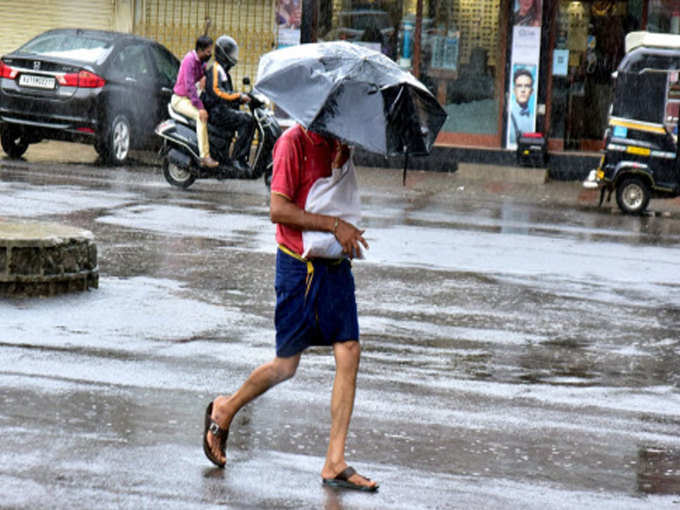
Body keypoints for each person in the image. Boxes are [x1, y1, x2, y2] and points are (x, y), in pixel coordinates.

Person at [202, 123, 378, 492]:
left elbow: (335, 198)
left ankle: (335, 461)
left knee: (349, 351)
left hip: (335, 267)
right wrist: (334, 225)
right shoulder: (291, 142)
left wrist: (341, 165)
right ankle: (225, 409)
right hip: (299, 267)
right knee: (286, 366)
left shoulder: (339, 144)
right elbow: (278, 209)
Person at [202, 35, 255, 174]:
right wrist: (238, 96)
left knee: (247, 118)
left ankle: (237, 158)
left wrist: (243, 96)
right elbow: (217, 92)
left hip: (221, 110)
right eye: (230, 52)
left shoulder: (223, 71)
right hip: (217, 112)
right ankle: (238, 159)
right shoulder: (216, 69)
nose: (233, 56)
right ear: (223, 53)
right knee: (247, 120)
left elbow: (227, 92)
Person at [171, 35, 218, 168]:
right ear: (201, 50)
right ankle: (205, 156)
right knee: (201, 116)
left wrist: (204, 77)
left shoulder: (200, 62)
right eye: (208, 52)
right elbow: (190, 86)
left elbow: (204, 75)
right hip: (180, 99)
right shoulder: (189, 60)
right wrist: (200, 107)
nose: (210, 54)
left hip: (189, 98)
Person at [508, 68, 535, 143]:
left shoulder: (533, 118)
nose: (523, 90)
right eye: (519, 86)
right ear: (514, 90)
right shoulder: (507, 115)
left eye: (527, 86)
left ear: (532, 91)